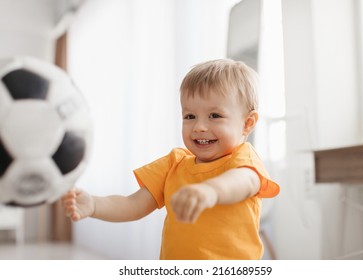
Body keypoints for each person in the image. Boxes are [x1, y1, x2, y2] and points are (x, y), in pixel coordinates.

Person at [62, 58, 280, 260]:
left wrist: (210, 191)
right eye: (190, 116)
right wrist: (94, 205)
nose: (199, 127)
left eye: (215, 116)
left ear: (248, 123)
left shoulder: (243, 160)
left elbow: (242, 182)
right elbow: (133, 204)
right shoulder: (173, 164)